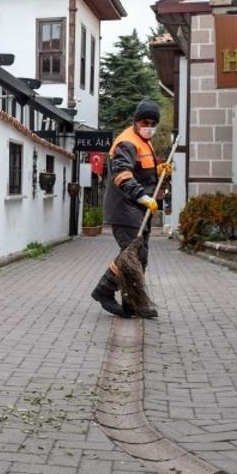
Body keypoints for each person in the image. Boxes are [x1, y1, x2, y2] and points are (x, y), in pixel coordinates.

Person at [90, 99, 171, 319]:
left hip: (137, 210)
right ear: (136, 121)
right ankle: (104, 290)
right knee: (132, 256)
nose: (149, 126)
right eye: (145, 121)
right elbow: (122, 174)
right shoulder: (127, 142)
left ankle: (132, 302)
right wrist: (142, 197)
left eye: (153, 122)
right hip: (126, 208)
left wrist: (159, 169)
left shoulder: (145, 140)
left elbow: (141, 171)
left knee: (139, 257)